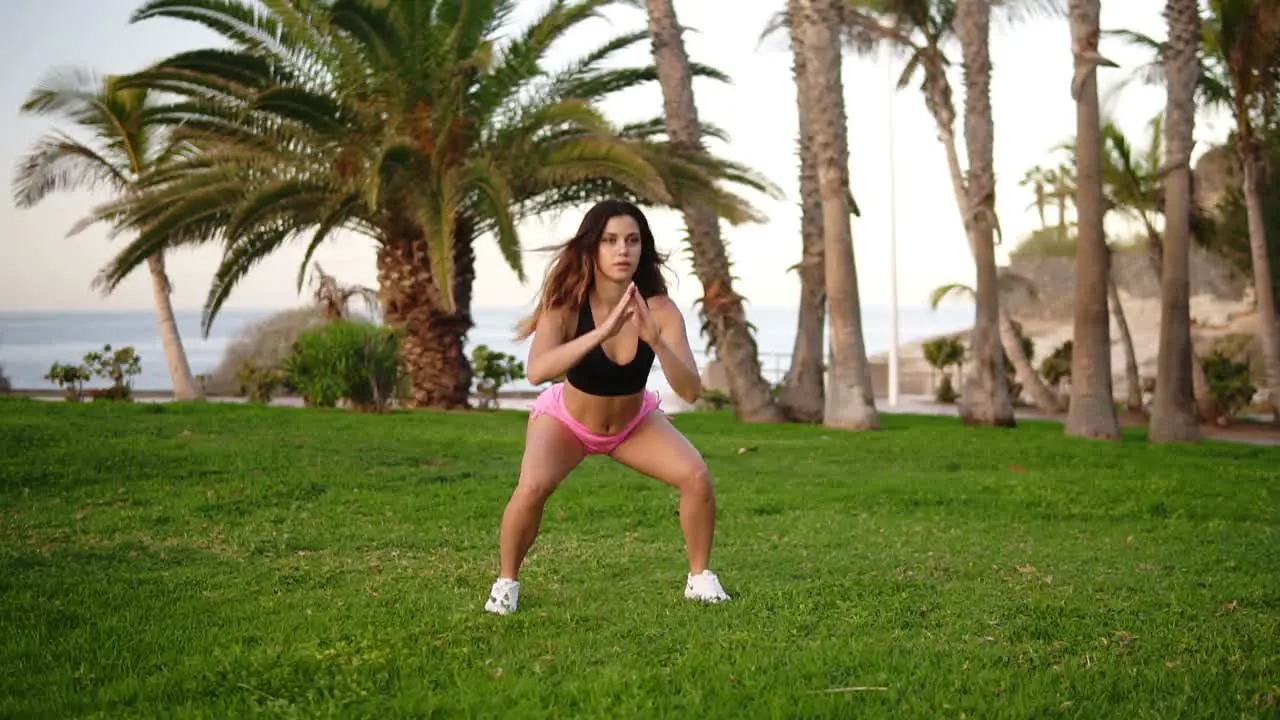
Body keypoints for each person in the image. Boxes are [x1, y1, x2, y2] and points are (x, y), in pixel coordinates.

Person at [483, 199, 731, 615]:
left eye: (632, 241)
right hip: (566, 421)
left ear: (642, 249)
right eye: (611, 240)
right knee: (532, 488)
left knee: (696, 476)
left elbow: (689, 391)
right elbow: (538, 370)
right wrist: (601, 333)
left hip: (632, 423)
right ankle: (506, 582)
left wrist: (655, 339)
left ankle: (700, 578)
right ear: (592, 249)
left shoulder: (662, 311)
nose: (623, 250)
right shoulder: (565, 306)